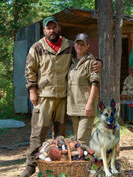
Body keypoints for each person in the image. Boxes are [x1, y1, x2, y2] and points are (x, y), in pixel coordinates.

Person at [22, 17, 102, 177]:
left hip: (63, 99)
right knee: (38, 134)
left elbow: (84, 56)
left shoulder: (68, 46)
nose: (52, 31)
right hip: (43, 97)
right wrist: (32, 90)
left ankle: (57, 166)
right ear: (44, 30)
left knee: (60, 137)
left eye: (54, 27)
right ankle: (30, 166)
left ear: (59, 28)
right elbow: (29, 69)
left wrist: (99, 62)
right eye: (48, 28)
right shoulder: (37, 47)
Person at [67, 33, 99, 145]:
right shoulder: (71, 62)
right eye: (77, 43)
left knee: (82, 140)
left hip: (86, 107)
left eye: (82, 44)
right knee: (78, 140)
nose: (79, 46)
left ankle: (86, 162)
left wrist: (90, 103)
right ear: (74, 44)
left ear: (87, 46)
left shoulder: (91, 62)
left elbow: (95, 83)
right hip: (74, 107)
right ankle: (81, 162)